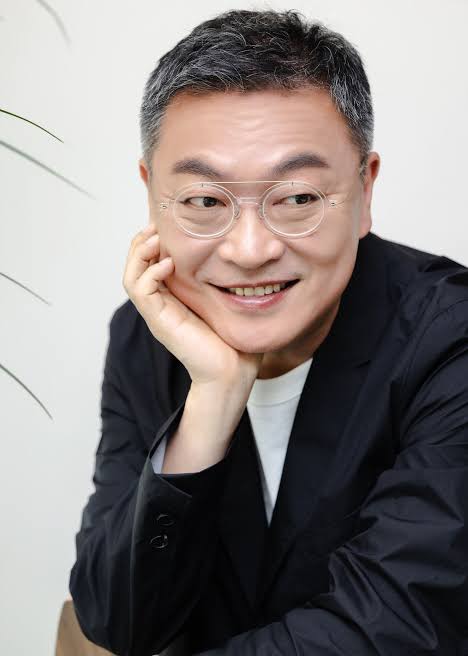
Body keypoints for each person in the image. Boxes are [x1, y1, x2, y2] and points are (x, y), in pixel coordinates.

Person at [69, 8, 468, 656]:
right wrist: (213, 399)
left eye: (298, 198)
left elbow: (399, 621)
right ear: (151, 196)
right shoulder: (146, 338)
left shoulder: (449, 338)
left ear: (365, 191)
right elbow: (118, 622)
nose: (250, 250)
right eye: (205, 201)